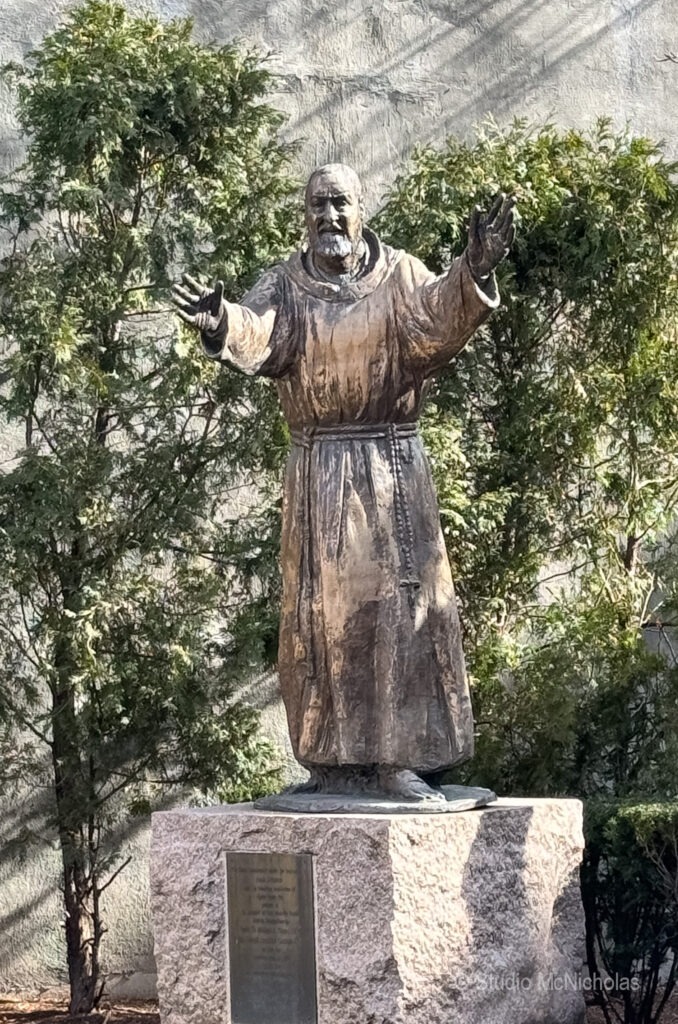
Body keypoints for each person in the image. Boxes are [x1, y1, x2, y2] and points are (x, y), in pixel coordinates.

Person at [173, 163, 515, 803]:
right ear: (304, 218)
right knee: (319, 620)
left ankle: (397, 761)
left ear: (362, 211)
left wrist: (476, 271)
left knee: (399, 612)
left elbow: (442, 320)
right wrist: (220, 322)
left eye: (340, 205)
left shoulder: (399, 278)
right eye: (317, 207)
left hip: (390, 468)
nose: (328, 218)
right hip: (318, 473)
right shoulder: (286, 285)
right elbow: (259, 332)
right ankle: (331, 762)